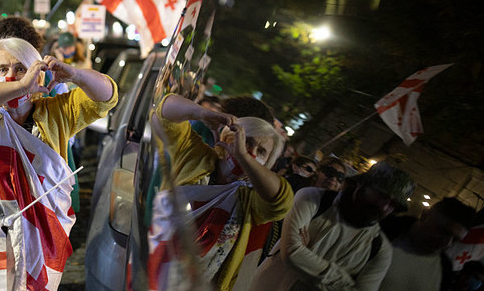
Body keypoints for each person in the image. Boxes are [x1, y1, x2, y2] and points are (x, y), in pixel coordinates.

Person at [0, 37, 118, 281]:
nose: (13, 75)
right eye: (3, 69)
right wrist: (20, 85)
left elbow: (106, 97)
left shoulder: (56, 113)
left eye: (22, 68)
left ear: (38, 74)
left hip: (37, 247)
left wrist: (75, 75)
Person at [150, 93, 293, 291]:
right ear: (226, 137)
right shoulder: (194, 155)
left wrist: (242, 156)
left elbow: (282, 201)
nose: (250, 151)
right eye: (246, 141)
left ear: (268, 163)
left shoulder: (253, 199)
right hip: (152, 269)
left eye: (261, 152)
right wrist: (200, 113)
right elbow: (163, 111)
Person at [249, 161, 416, 291]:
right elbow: (292, 253)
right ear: (362, 185)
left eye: (393, 205)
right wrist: (344, 281)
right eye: (382, 196)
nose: (384, 207)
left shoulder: (379, 249)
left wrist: (306, 256)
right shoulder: (313, 199)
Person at [379, 197, 476, 291]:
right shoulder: (382, 231)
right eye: (444, 232)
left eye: (455, 240)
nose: (448, 243)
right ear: (424, 216)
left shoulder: (445, 269)